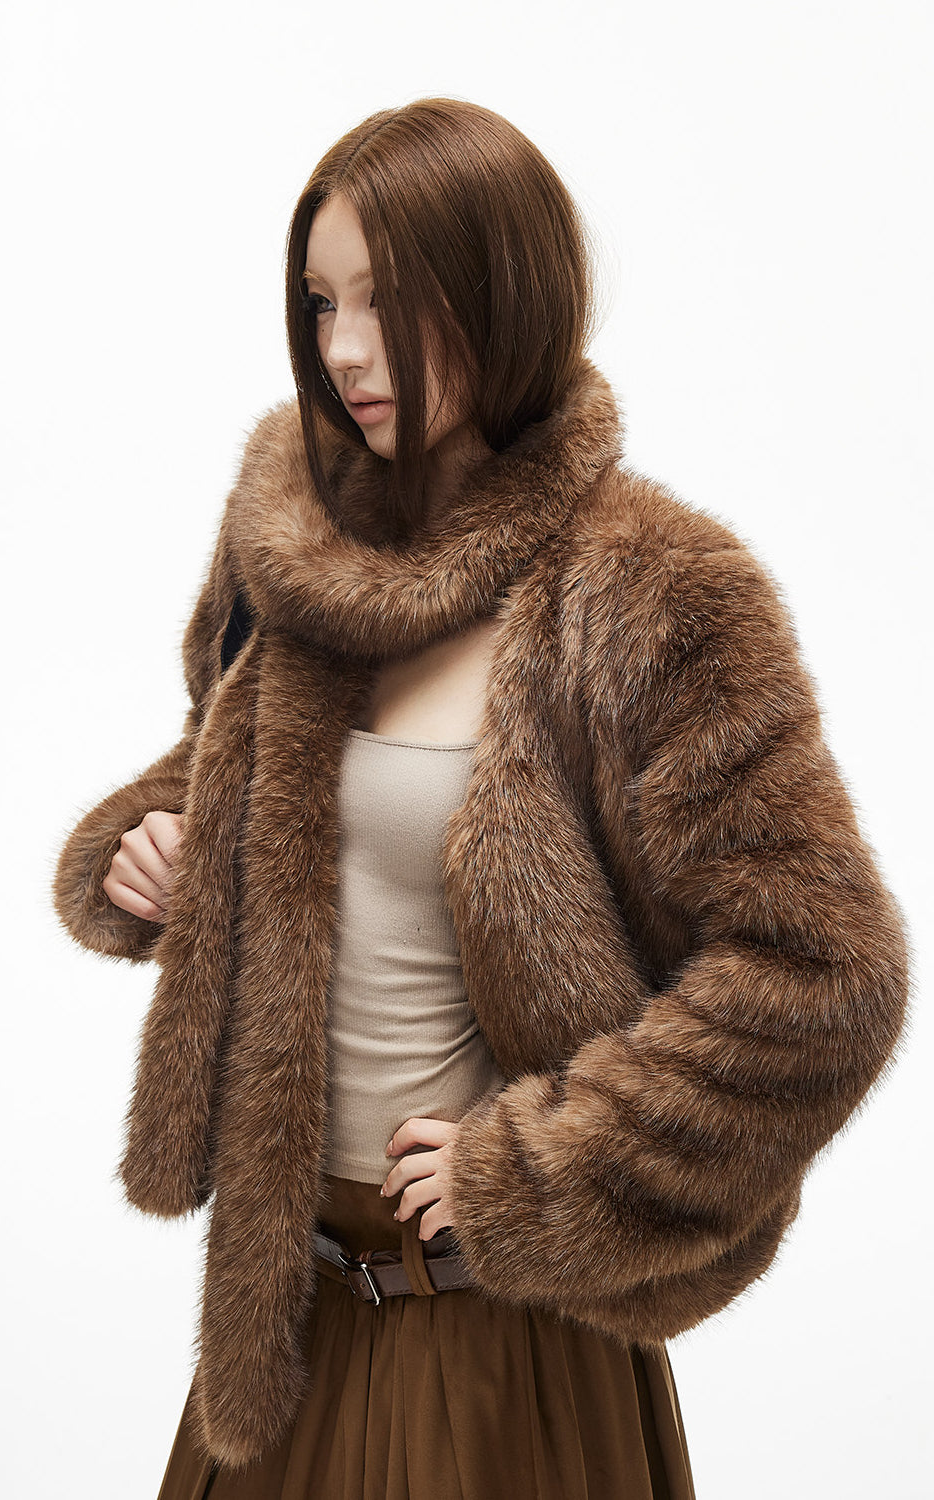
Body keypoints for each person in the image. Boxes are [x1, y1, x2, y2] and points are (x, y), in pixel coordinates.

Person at [52, 98, 909, 1500]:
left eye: (386, 301)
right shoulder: (292, 545)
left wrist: (547, 1173)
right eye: (320, 301)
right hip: (283, 1327)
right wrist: (147, 851)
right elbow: (220, 762)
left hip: (502, 1348)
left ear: (503, 294)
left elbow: (824, 970)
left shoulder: (653, 593)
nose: (342, 351)